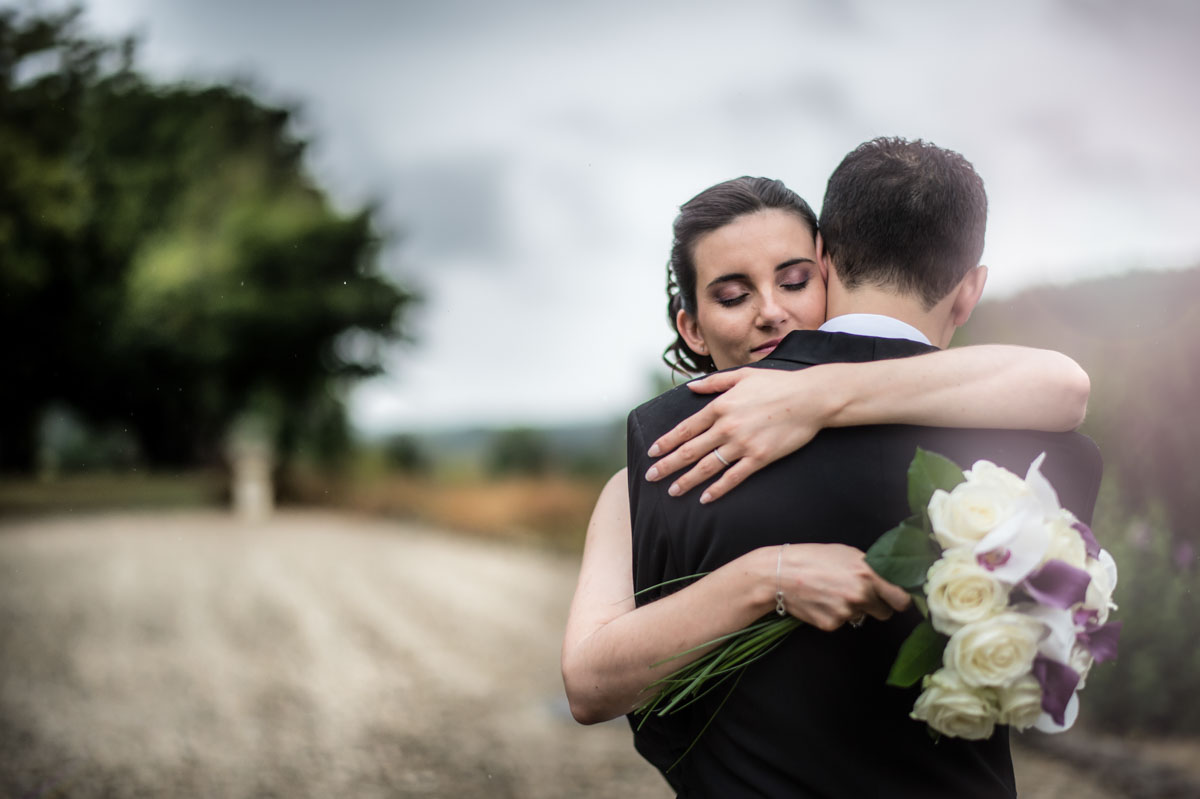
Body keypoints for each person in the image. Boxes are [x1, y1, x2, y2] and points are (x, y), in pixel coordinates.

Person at [574, 140, 1103, 797]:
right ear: (693, 327)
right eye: (734, 295)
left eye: (794, 280)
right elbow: (588, 682)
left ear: (825, 264)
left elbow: (1062, 383)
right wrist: (764, 577)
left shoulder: (668, 443)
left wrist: (814, 394)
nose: (773, 310)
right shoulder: (656, 462)